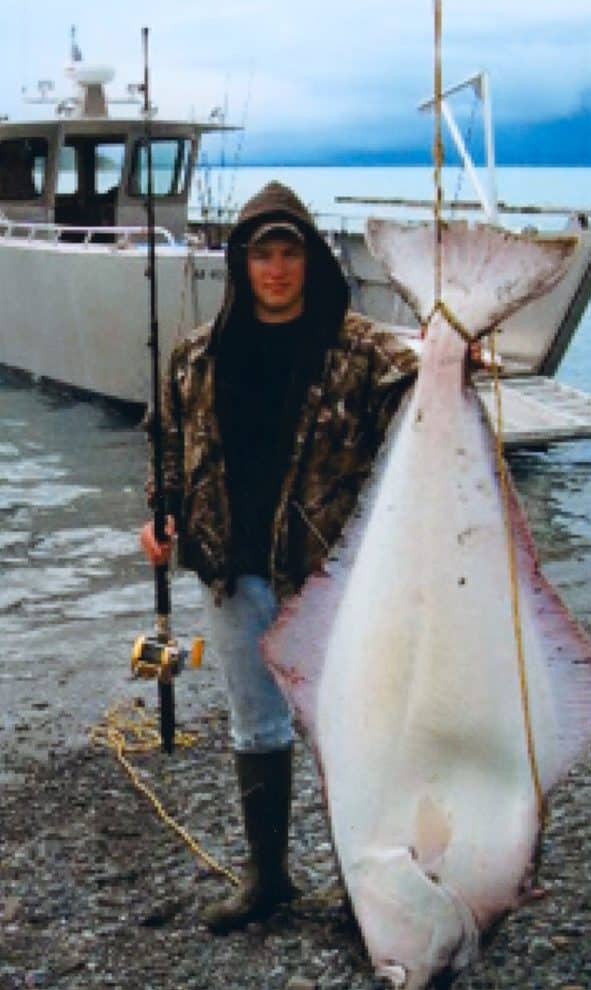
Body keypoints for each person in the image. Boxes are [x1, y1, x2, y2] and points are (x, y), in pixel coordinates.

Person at [140, 181, 419, 933]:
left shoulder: (361, 348)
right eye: (260, 254)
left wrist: (460, 353)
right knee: (254, 725)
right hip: (231, 570)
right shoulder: (196, 354)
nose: (275, 268)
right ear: (239, 264)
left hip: (330, 577)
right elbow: (167, 442)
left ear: (311, 260)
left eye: (288, 252)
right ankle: (268, 879)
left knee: (347, 727)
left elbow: (423, 409)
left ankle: (365, 885)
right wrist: (159, 515)